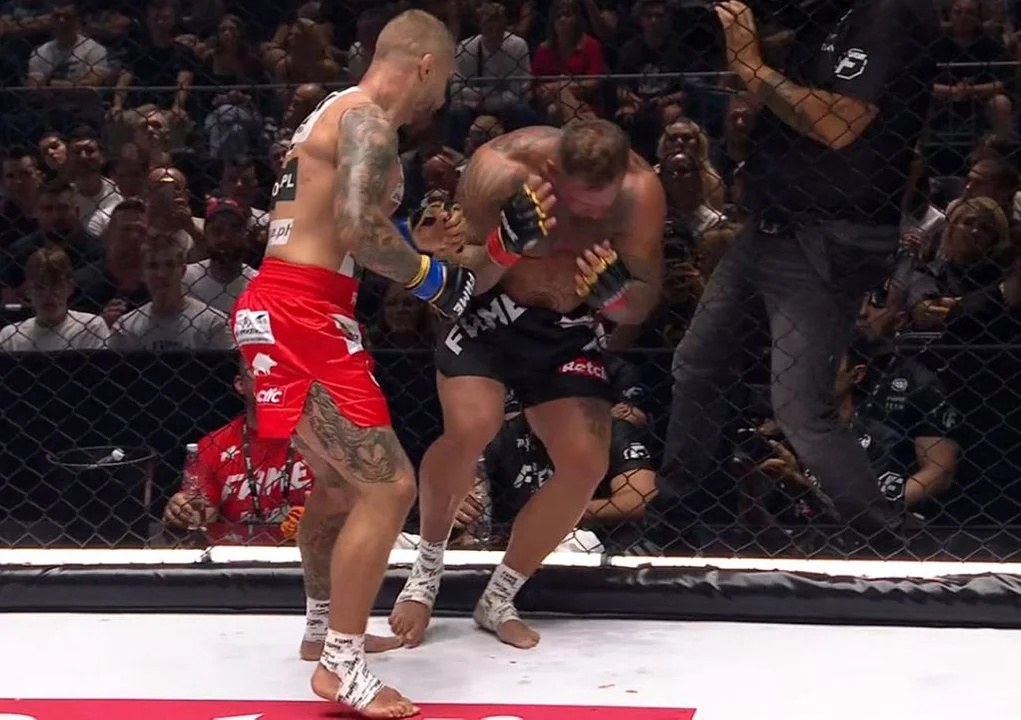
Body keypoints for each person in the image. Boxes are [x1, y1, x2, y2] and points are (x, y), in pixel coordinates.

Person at [229, 10, 488, 718]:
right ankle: (342, 666)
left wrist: (413, 245)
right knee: (388, 487)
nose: (443, 96)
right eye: (446, 78)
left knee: (342, 486)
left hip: (292, 303)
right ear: (425, 66)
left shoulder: (336, 111)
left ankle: (323, 632)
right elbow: (357, 229)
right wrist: (436, 280)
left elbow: (341, 230)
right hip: (300, 313)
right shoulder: (369, 120)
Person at [661, 0, 941, 550]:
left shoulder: (886, 13)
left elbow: (840, 124)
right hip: (770, 226)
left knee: (800, 406)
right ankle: (673, 522)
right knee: (696, 365)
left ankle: (888, 542)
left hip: (828, 234)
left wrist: (752, 64)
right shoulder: (821, 17)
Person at [389, 119, 665, 649]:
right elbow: (456, 277)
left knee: (586, 462)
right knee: (473, 426)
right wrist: (504, 246)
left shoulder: (640, 194)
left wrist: (616, 297)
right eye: (580, 202)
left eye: (601, 206)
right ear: (552, 170)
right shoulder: (499, 170)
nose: (590, 217)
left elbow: (642, 299)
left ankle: (499, 597)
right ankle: (424, 575)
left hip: (564, 328)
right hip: (486, 312)